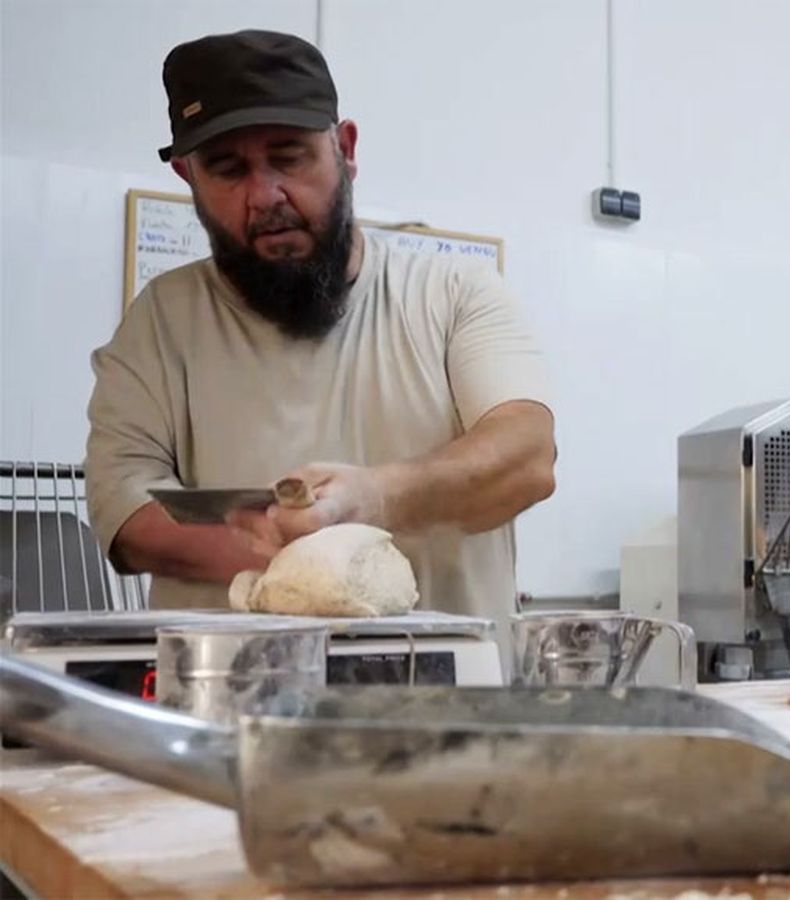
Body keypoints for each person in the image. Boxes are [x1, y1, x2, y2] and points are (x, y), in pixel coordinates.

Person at [85, 30, 556, 627]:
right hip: (233, 704)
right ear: (187, 176)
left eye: (289, 156)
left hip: (442, 702)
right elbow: (125, 513)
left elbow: (527, 455)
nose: (265, 195)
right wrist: (295, 555)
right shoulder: (161, 323)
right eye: (227, 169)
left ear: (346, 148)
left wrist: (377, 498)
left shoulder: (454, 295)